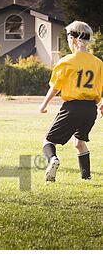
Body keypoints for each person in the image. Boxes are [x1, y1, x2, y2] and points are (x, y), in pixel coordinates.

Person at [39, 21, 103, 182]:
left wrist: (44, 105)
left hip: (72, 107)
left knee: (48, 141)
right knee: (79, 142)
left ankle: (52, 159)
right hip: (90, 109)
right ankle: (86, 177)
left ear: (73, 39)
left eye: (68, 37)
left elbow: (55, 87)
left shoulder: (67, 61)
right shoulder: (98, 63)